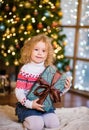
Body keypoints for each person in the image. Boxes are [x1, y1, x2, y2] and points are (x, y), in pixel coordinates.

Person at [15, 33, 71, 130]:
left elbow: (54, 92)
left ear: (47, 54)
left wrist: (66, 87)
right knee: (36, 125)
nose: (40, 53)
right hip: (29, 106)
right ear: (29, 51)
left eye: (44, 51)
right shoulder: (26, 69)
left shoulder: (49, 69)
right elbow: (19, 91)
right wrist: (30, 104)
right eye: (36, 49)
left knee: (53, 124)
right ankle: (25, 118)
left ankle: (40, 117)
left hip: (45, 105)